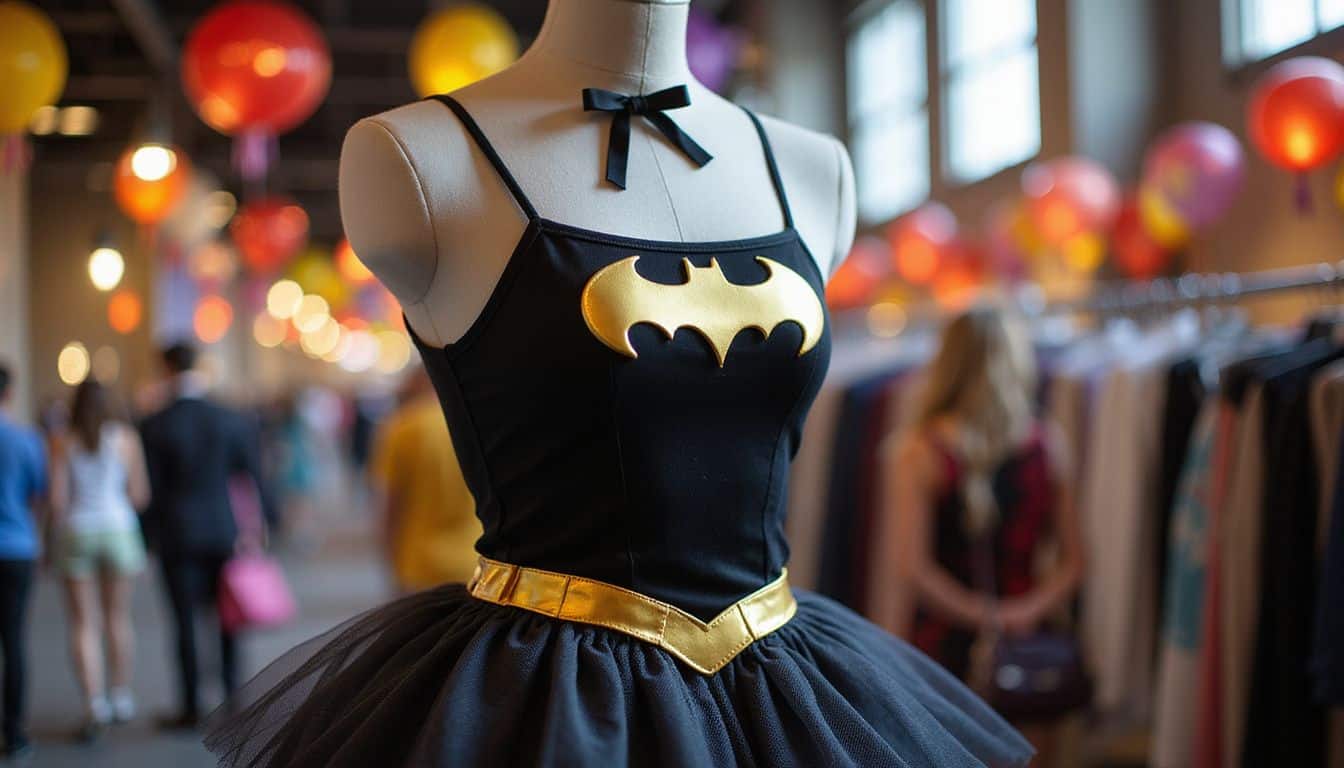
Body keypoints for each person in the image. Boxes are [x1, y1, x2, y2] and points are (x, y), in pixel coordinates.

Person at [881, 305, 1086, 765]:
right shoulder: (1045, 443)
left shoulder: (919, 451)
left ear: (948, 363)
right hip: (1028, 639)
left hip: (944, 641)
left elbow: (910, 567)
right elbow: (1074, 561)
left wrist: (986, 616)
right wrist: (1022, 613)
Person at [139, 343, 272, 729]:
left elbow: (150, 492)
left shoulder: (155, 423)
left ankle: (191, 705)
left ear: (166, 368)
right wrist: (260, 527)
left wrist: (146, 540)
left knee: (183, 622)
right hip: (224, 530)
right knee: (229, 617)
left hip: (176, 534)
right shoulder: (231, 418)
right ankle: (233, 698)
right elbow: (253, 477)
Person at [47, 381, 150, 739]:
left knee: (82, 623)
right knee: (117, 617)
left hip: (78, 531)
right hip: (119, 529)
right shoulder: (126, 439)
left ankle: (94, 703)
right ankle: (120, 695)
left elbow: (58, 501)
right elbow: (139, 496)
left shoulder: (64, 441)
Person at [370, 368, 481, 593]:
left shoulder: (403, 428)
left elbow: (391, 507)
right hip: (478, 564)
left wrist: (390, 562)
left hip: (420, 566)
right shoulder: (477, 423)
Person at [0, 364, 44, 759]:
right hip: (16, 549)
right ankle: (12, 732)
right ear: (10, 392)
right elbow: (37, 494)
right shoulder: (24, 439)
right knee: (13, 641)